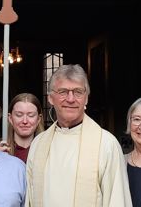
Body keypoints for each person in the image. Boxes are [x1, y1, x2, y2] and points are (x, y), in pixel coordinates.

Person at [25, 64, 132, 207]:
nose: (70, 99)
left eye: (78, 92)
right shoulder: (38, 144)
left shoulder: (106, 144)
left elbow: (117, 200)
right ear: (50, 98)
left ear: (86, 98)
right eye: (63, 92)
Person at [0, 92, 44, 162]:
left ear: (38, 119)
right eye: (19, 115)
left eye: (31, 115)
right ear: (10, 118)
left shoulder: (48, 149)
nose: (25, 121)